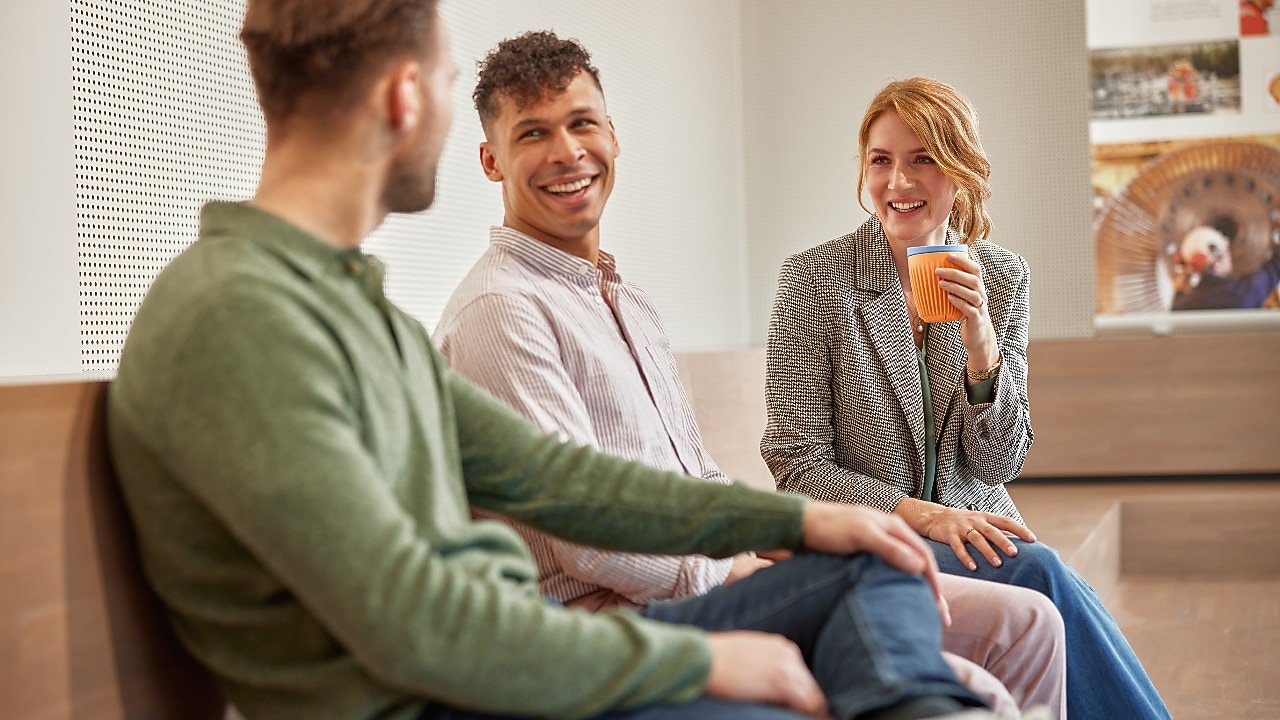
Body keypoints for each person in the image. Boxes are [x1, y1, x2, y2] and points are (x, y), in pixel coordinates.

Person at [105, 4, 992, 719]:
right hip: (466, 695)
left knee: (872, 562)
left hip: (507, 668)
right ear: (407, 97)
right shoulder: (243, 316)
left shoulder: (343, 303)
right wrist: (697, 654)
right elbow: (416, 626)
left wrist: (797, 523)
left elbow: (559, 477)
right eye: (457, 87)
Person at [434, 31, 1064, 720]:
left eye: (582, 123)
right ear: (492, 161)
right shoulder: (503, 310)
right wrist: (761, 552)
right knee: (897, 589)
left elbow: (697, 480)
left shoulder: (626, 301)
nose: (566, 151)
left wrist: (980, 346)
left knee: (1025, 616)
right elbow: (592, 537)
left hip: (713, 579)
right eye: (533, 134)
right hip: (613, 622)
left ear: (613, 135)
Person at [760, 77, 1171, 720]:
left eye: (923, 158)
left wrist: (981, 344)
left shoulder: (1000, 275)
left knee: (1042, 571)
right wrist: (923, 515)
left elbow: (1001, 462)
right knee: (1042, 574)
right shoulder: (815, 279)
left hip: (977, 521)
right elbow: (795, 461)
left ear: (961, 170)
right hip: (869, 528)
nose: (898, 182)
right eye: (881, 160)